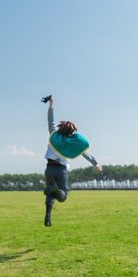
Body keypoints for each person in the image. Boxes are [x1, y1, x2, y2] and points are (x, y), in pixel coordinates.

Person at [43, 96, 102, 227]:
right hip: (61, 170)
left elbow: (50, 121)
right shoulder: (72, 144)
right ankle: (55, 189)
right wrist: (96, 163)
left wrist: (51, 105)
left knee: (51, 194)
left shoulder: (53, 135)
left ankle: (48, 217)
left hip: (49, 169)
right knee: (62, 196)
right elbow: (85, 153)